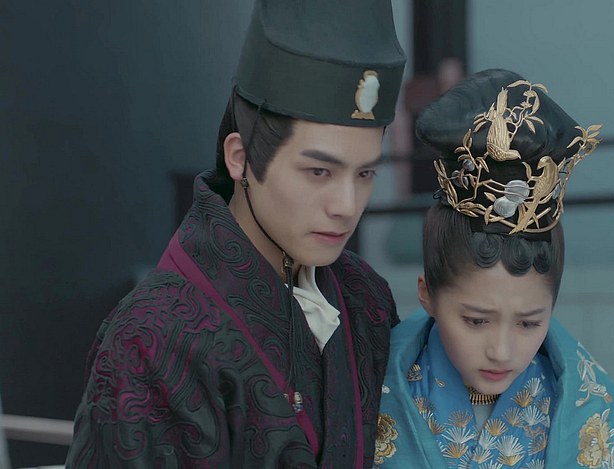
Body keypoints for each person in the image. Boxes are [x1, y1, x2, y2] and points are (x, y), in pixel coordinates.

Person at [66, 0, 405, 467]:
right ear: (240, 157)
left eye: (365, 174)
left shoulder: (366, 297)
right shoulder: (149, 339)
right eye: (319, 172)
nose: (347, 206)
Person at [373, 69, 614, 468]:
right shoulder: (369, 392)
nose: (501, 351)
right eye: (476, 321)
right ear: (426, 293)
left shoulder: (593, 412)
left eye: (529, 323)